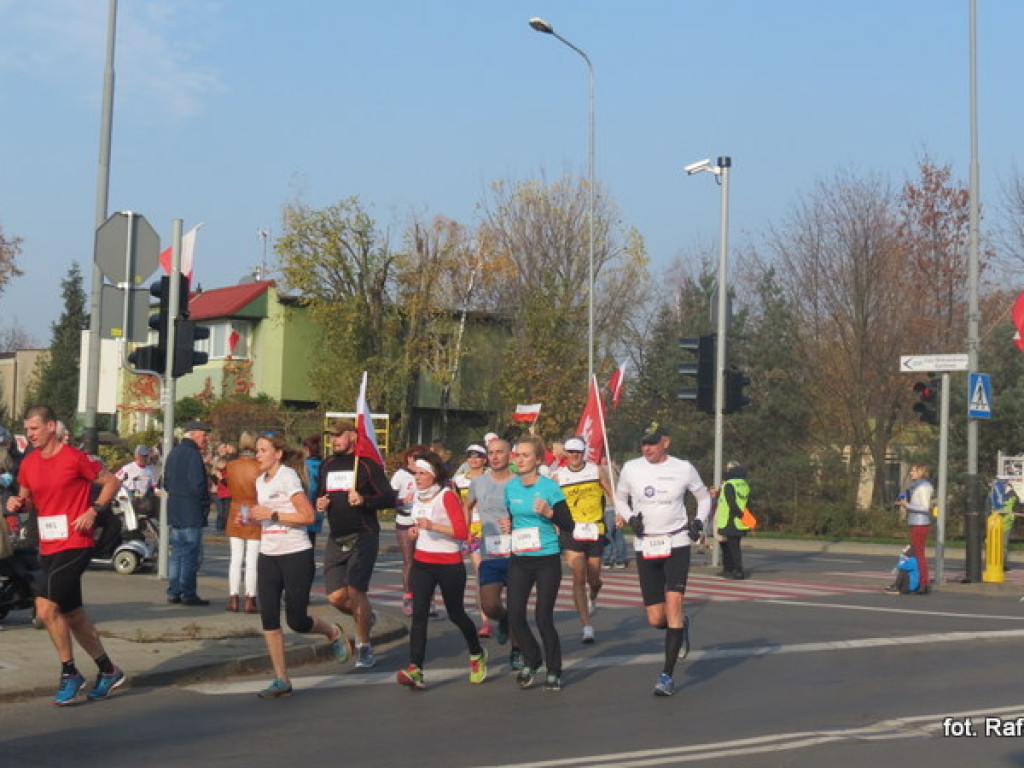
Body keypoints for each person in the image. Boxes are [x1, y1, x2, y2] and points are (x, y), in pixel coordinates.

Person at [6, 406, 125, 705]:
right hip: (48, 544)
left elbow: (112, 482)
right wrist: (16, 504)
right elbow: (28, 501)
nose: (29, 434)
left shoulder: (74, 458)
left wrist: (93, 510)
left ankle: (69, 672)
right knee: (73, 615)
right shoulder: (29, 463)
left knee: (46, 610)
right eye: (27, 429)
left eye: (34, 429)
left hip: (76, 542)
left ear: (51, 427)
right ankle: (108, 670)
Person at [614, 423, 712, 697]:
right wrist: (631, 517)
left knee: (674, 602)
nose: (647, 448)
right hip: (647, 544)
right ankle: (680, 625)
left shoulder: (683, 467)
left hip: (677, 541)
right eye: (644, 444)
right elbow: (619, 497)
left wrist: (699, 523)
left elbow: (703, 498)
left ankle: (666, 676)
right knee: (657, 618)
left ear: (665, 442)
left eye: (653, 443)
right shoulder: (632, 468)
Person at [249, 433, 349, 698]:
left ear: (278, 454)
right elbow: (267, 516)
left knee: (296, 620)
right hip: (268, 554)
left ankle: (332, 631)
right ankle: (282, 679)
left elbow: (307, 516)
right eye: (256, 450)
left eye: (262, 450)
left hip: (295, 554)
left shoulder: (288, 477)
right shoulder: (260, 481)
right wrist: (252, 518)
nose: (257, 455)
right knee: (268, 618)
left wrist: (270, 514)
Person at [396, 451, 487, 690]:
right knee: (419, 615)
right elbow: (421, 523)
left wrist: (432, 525)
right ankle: (416, 668)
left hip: (449, 564)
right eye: (416, 473)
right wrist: (417, 530)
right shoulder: (418, 495)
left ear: (434, 475)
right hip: (423, 563)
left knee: (456, 614)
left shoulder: (446, 495)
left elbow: (460, 532)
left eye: (422, 473)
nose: (417, 477)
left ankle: (477, 653)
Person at [316, 418, 397, 669]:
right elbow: (320, 494)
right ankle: (367, 617)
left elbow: (389, 498)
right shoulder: (327, 464)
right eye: (331, 436)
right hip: (336, 536)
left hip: (364, 535)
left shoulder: (366, 465)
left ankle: (364, 647)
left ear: (352, 435)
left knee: (355, 591)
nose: (334, 440)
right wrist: (320, 503)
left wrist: (365, 500)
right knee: (335, 597)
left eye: (339, 435)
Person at [501, 436, 574, 691]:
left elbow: (568, 524)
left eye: (525, 455)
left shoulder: (549, 487)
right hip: (520, 557)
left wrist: (549, 513)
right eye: (517, 455)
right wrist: (507, 525)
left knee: (543, 617)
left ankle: (554, 670)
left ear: (538, 460)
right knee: (515, 615)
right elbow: (511, 516)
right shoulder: (511, 488)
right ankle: (532, 659)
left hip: (546, 558)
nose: (519, 460)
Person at [553, 436, 614, 644]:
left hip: (595, 528)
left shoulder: (596, 470)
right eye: (570, 452)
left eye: (578, 452)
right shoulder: (558, 476)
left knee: (593, 578)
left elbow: (611, 492)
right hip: (571, 531)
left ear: (584, 452)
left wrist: (621, 512)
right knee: (578, 575)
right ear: (565, 454)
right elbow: (553, 502)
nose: (574, 456)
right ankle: (586, 625)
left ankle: (594, 592)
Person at [466, 438, 520, 667]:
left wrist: (515, 522)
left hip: (517, 552)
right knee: (490, 605)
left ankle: (517, 650)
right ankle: (503, 620)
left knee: (517, 605)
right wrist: (467, 529)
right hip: (490, 553)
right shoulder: (478, 483)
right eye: (491, 452)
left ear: (510, 456)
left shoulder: (520, 482)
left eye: (500, 452)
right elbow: (466, 506)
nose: (495, 456)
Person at [163, 420, 213, 606]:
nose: (206, 439)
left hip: (175, 509)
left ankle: (174, 591)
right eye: (204, 435)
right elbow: (198, 485)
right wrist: (204, 503)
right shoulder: (193, 455)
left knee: (177, 553)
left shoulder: (174, 453)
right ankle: (188, 593)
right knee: (190, 554)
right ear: (194, 434)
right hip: (191, 510)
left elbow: (165, 482)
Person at [454, 443, 490, 635]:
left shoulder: (493, 477)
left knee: (498, 574)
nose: (474, 460)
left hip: (493, 530)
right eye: (470, 456)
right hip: (472, 531)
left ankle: (499, 611)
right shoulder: (459, 480)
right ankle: (485, 621)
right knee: (480, 573)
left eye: (478, 456)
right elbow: (458, 505)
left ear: (485, 459)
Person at [224, 431, 261, 613]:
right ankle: (250, 599)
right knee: (252, 559)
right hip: (254, 509)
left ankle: (233, 598)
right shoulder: (259, 466)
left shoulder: (231, 466)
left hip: (235, 509)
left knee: (235, 558)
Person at [390, 444, 428, 616]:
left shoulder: (429, 474)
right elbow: (389, 499)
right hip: (405, 521)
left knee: (426, 562)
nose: (416, 460)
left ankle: (427, 598)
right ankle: (408, 597)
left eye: (420, 457)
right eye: (413, 457)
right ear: (408, 458)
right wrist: (402, 501)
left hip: (424, 522)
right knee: (409, 561)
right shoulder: (400, 475)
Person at [894, 463, 934, 595]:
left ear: (921, 472)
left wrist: (908, 505)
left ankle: (923, 584)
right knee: (916, 554)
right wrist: (905, 503)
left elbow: (925, 507)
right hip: (915, 522)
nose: (911, 473)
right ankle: (918, 582)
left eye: (913, 471)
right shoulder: (916, 486)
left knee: (919, 554)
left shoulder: (924, 487)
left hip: (920, 524)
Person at [714, 461, 751, 580]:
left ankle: (736, 570)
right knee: (734, 546)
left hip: (729, 520)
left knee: (732, 547)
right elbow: (747, 502)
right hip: (740, 521)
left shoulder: (729, 484)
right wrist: (744, 517)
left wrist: (739, 515)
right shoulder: (744, 484)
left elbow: (731, 503)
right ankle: (731, 569)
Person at [115, 445, 157, 518]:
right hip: (129, 501)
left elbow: (154, 486)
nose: (145, 458)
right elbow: (115, 480)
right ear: (136, 456)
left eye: (146, 456)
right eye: (142, 456)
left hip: (143, 502)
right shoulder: (127, 468)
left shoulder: (150, 469)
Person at [989, 477, 1020, 570]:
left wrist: (1012, 515)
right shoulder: (994, 493)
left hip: (1006, 523)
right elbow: (988, 507)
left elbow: (1016, 507)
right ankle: (993, 562)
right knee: (993, 543)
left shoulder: (1012, 494)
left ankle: (1002, 564)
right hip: (994, 521)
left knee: (1003, 545)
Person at [302, 435, 325, 548]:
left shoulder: (306, 467)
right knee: (311, 543)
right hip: (319, 508)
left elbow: (309, 489)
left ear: (306, 449)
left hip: (306, 510)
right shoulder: (323, 465)